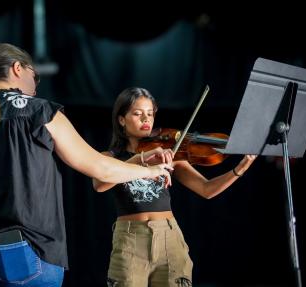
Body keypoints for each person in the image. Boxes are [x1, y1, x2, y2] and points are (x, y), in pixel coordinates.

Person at [0, 43, 172, 287]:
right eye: (34, 77)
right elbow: (100, 167)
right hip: (21, 255)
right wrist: (148, 171)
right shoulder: (39, 111)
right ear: (18, 69)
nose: (36, 87)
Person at [92, 87, 257, 287]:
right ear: (121, 119)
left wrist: (239, 169)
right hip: (130, 239)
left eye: (150, 114)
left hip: (169, 237)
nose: (146, 119)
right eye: (137, 113)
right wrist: (139, 159)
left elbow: (206, 189)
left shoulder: (167, 154)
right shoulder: (109, 158)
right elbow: (100, 184)